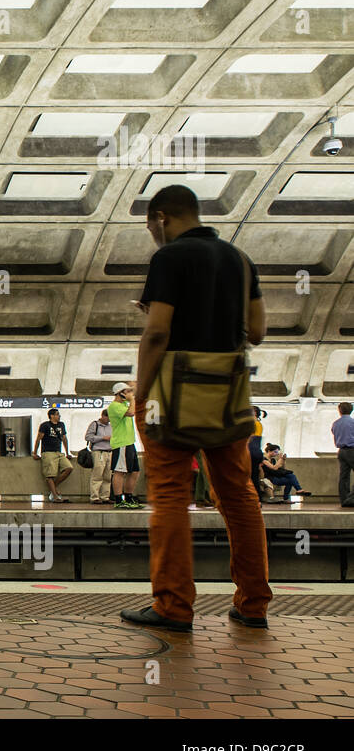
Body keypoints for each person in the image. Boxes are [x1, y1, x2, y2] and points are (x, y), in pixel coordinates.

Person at [121, 183, 270, 633]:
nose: (153, 235)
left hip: (172, 398)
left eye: (151, 226)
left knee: (169, 495)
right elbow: (258, 331)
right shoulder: (239, 259)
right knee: (239, 496)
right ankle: (253, 604)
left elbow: (159, 334)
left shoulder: (168, 259)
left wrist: (140, 394)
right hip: (228, 398)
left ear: (161, 217)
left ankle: (173, 605)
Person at [107, 383, 142, 509]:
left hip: (129, 442)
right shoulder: (114, 406)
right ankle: (118, 499)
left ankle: (128, 497)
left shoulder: (124, 405)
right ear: (120, 393)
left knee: (135, 471)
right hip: (121, 443)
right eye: (127, 391)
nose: (129, 394)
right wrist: (132, 399)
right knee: (120, 471)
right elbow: (131, 413)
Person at [33, 408, 73, 503]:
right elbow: (39, 438)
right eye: (57, 414)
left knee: (69, 468)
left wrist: (67, 453)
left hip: (59, 452)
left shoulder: (61, 425)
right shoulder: (45, 425)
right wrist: (35, 452)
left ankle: (54, 487)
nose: (59, 416)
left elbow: (64, 438)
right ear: (52, 416)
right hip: (48, 452)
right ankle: (55, 496)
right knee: (50, 474)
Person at [83, 408, 113, 505]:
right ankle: (95, 497)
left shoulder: (110, 426)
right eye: (108, 417)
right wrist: (103, 438)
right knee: (97, 475)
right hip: (99, 452)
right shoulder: (95, 424)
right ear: (103, 416)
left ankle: (105, 496)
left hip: (109, 451)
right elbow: (88, 437)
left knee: (107, 476)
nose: (109, 420)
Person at [334, 402, 354, 508]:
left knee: (344, 476)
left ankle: (345, 500)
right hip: (352, 450)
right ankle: (352, 498)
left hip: (341, 451)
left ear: (340, 410)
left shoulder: (336, 423)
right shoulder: (352, 422)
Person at [247, 406, 266, 500]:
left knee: (251, 475)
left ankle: (254, 496)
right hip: (255, 452)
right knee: (253, 475)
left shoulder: (255, 424)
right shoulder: (257, 424)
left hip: (252, 452)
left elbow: (250, 437)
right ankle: (256, 495)